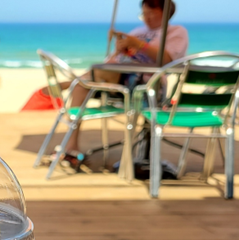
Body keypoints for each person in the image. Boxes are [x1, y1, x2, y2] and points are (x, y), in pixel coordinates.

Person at [56, 0, 188, 169]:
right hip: (117, 84)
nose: (146, 18)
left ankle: (73, 81)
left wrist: (138, 45)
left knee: (88, 80)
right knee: (82, 86)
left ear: (165, 12)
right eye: (144, 14)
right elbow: (111, 62)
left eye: (151, 13)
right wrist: (119, 50)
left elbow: (168, 60)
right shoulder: (138, 31)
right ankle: (71, 147)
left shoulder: (176, 31)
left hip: (147, 86)